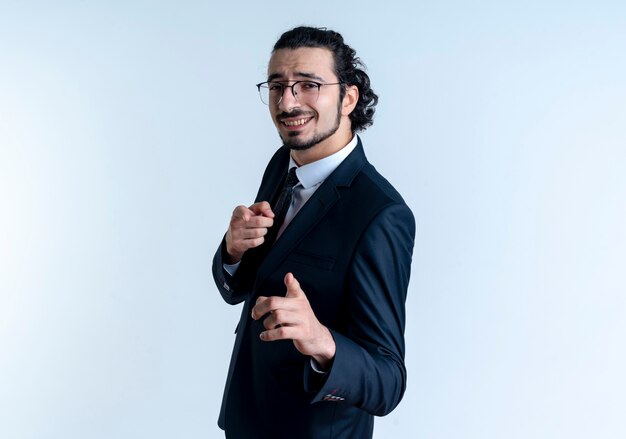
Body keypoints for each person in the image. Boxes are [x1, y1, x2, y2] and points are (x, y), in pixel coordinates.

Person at [212, 26, 415, 439]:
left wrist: (322, 340)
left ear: (349, 98)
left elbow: (388, 381)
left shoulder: (381, 214)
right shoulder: (282, 163)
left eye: (308, 84)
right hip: (247, 419)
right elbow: (245, 288)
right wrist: (233, 252)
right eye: (277, 86)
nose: (287, 102)